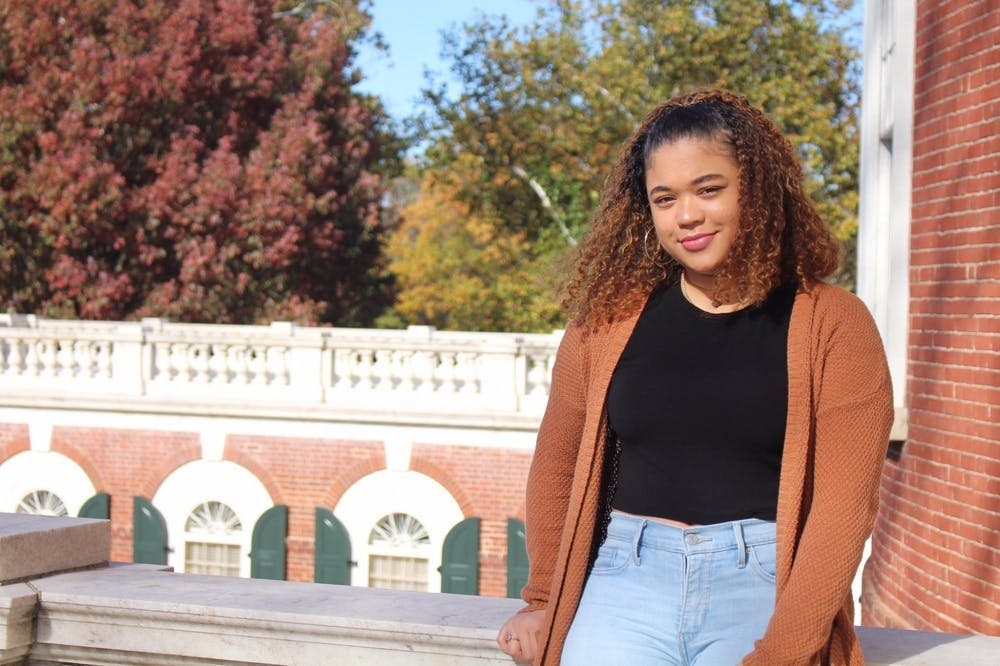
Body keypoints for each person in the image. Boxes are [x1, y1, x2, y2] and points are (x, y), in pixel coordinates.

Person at [496, 89, 894, 665]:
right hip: (624, 579)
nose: (686, 215)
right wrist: (541, 601)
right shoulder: (606, 322)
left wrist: (784, 652)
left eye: (709, 189)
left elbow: (843, 508)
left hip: (762, 583)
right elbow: (557, 465)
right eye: (665, 198)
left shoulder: (833, 323)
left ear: (756, 190)